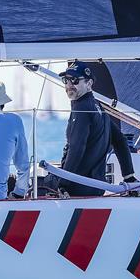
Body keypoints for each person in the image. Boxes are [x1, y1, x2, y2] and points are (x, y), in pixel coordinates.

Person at [57, 62, 113, 196]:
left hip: (78, 188)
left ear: (89, 84)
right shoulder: (98, 107)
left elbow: (77, 148)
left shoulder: (82, 107)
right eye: (66, 80)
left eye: (75, 80)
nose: (69, 85)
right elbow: (121, 141)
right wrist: (129, 175)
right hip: (97, 186)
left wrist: (62, 185)